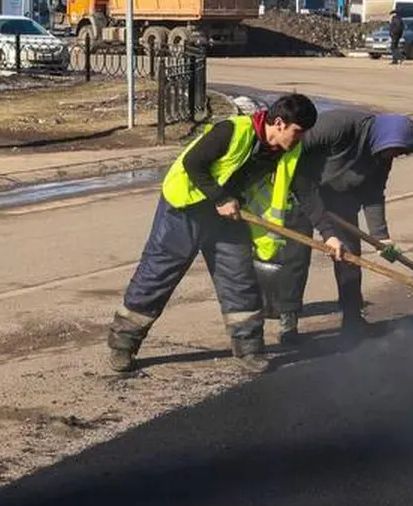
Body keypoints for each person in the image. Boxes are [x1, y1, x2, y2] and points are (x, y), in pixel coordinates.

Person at [105, 94, 341, 375]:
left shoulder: (289, 151)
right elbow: (193, 163)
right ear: (279, 123)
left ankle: (249, 349)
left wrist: (329, 234)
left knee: (239, 279)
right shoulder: (232, 130)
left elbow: (306, 193)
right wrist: (219, 198)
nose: (300, 139)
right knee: (158, 274)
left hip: (228, 217)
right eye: (298, 132)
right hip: (185, 209)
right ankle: (123, 343)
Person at [285, 108, 413, 342]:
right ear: (384, 138)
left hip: (339, 199)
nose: (395, 156)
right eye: (396, 151)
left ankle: (352, 318)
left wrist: (381, 238)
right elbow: (292, 149)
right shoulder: (339, 125)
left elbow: (373, 193)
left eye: (400, 153)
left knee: (348, 257)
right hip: (300, 192)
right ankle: (288, 322)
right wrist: (296, 190)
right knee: (295, 258)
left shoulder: (382, 154)